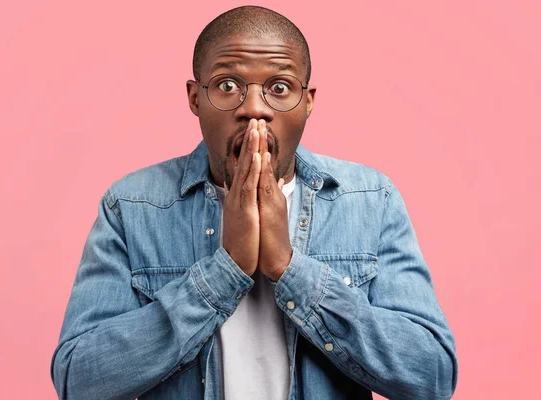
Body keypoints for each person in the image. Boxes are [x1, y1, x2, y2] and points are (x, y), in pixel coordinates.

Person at [51, 6, 458, 400]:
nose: (254, 109)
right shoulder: (133, 205)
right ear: (195, 97)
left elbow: (432, 377)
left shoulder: (370, 200)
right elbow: (80, 381)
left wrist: (289, 266)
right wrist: (225, 271)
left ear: (308, 101)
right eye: (228, 85)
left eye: (279, 88)